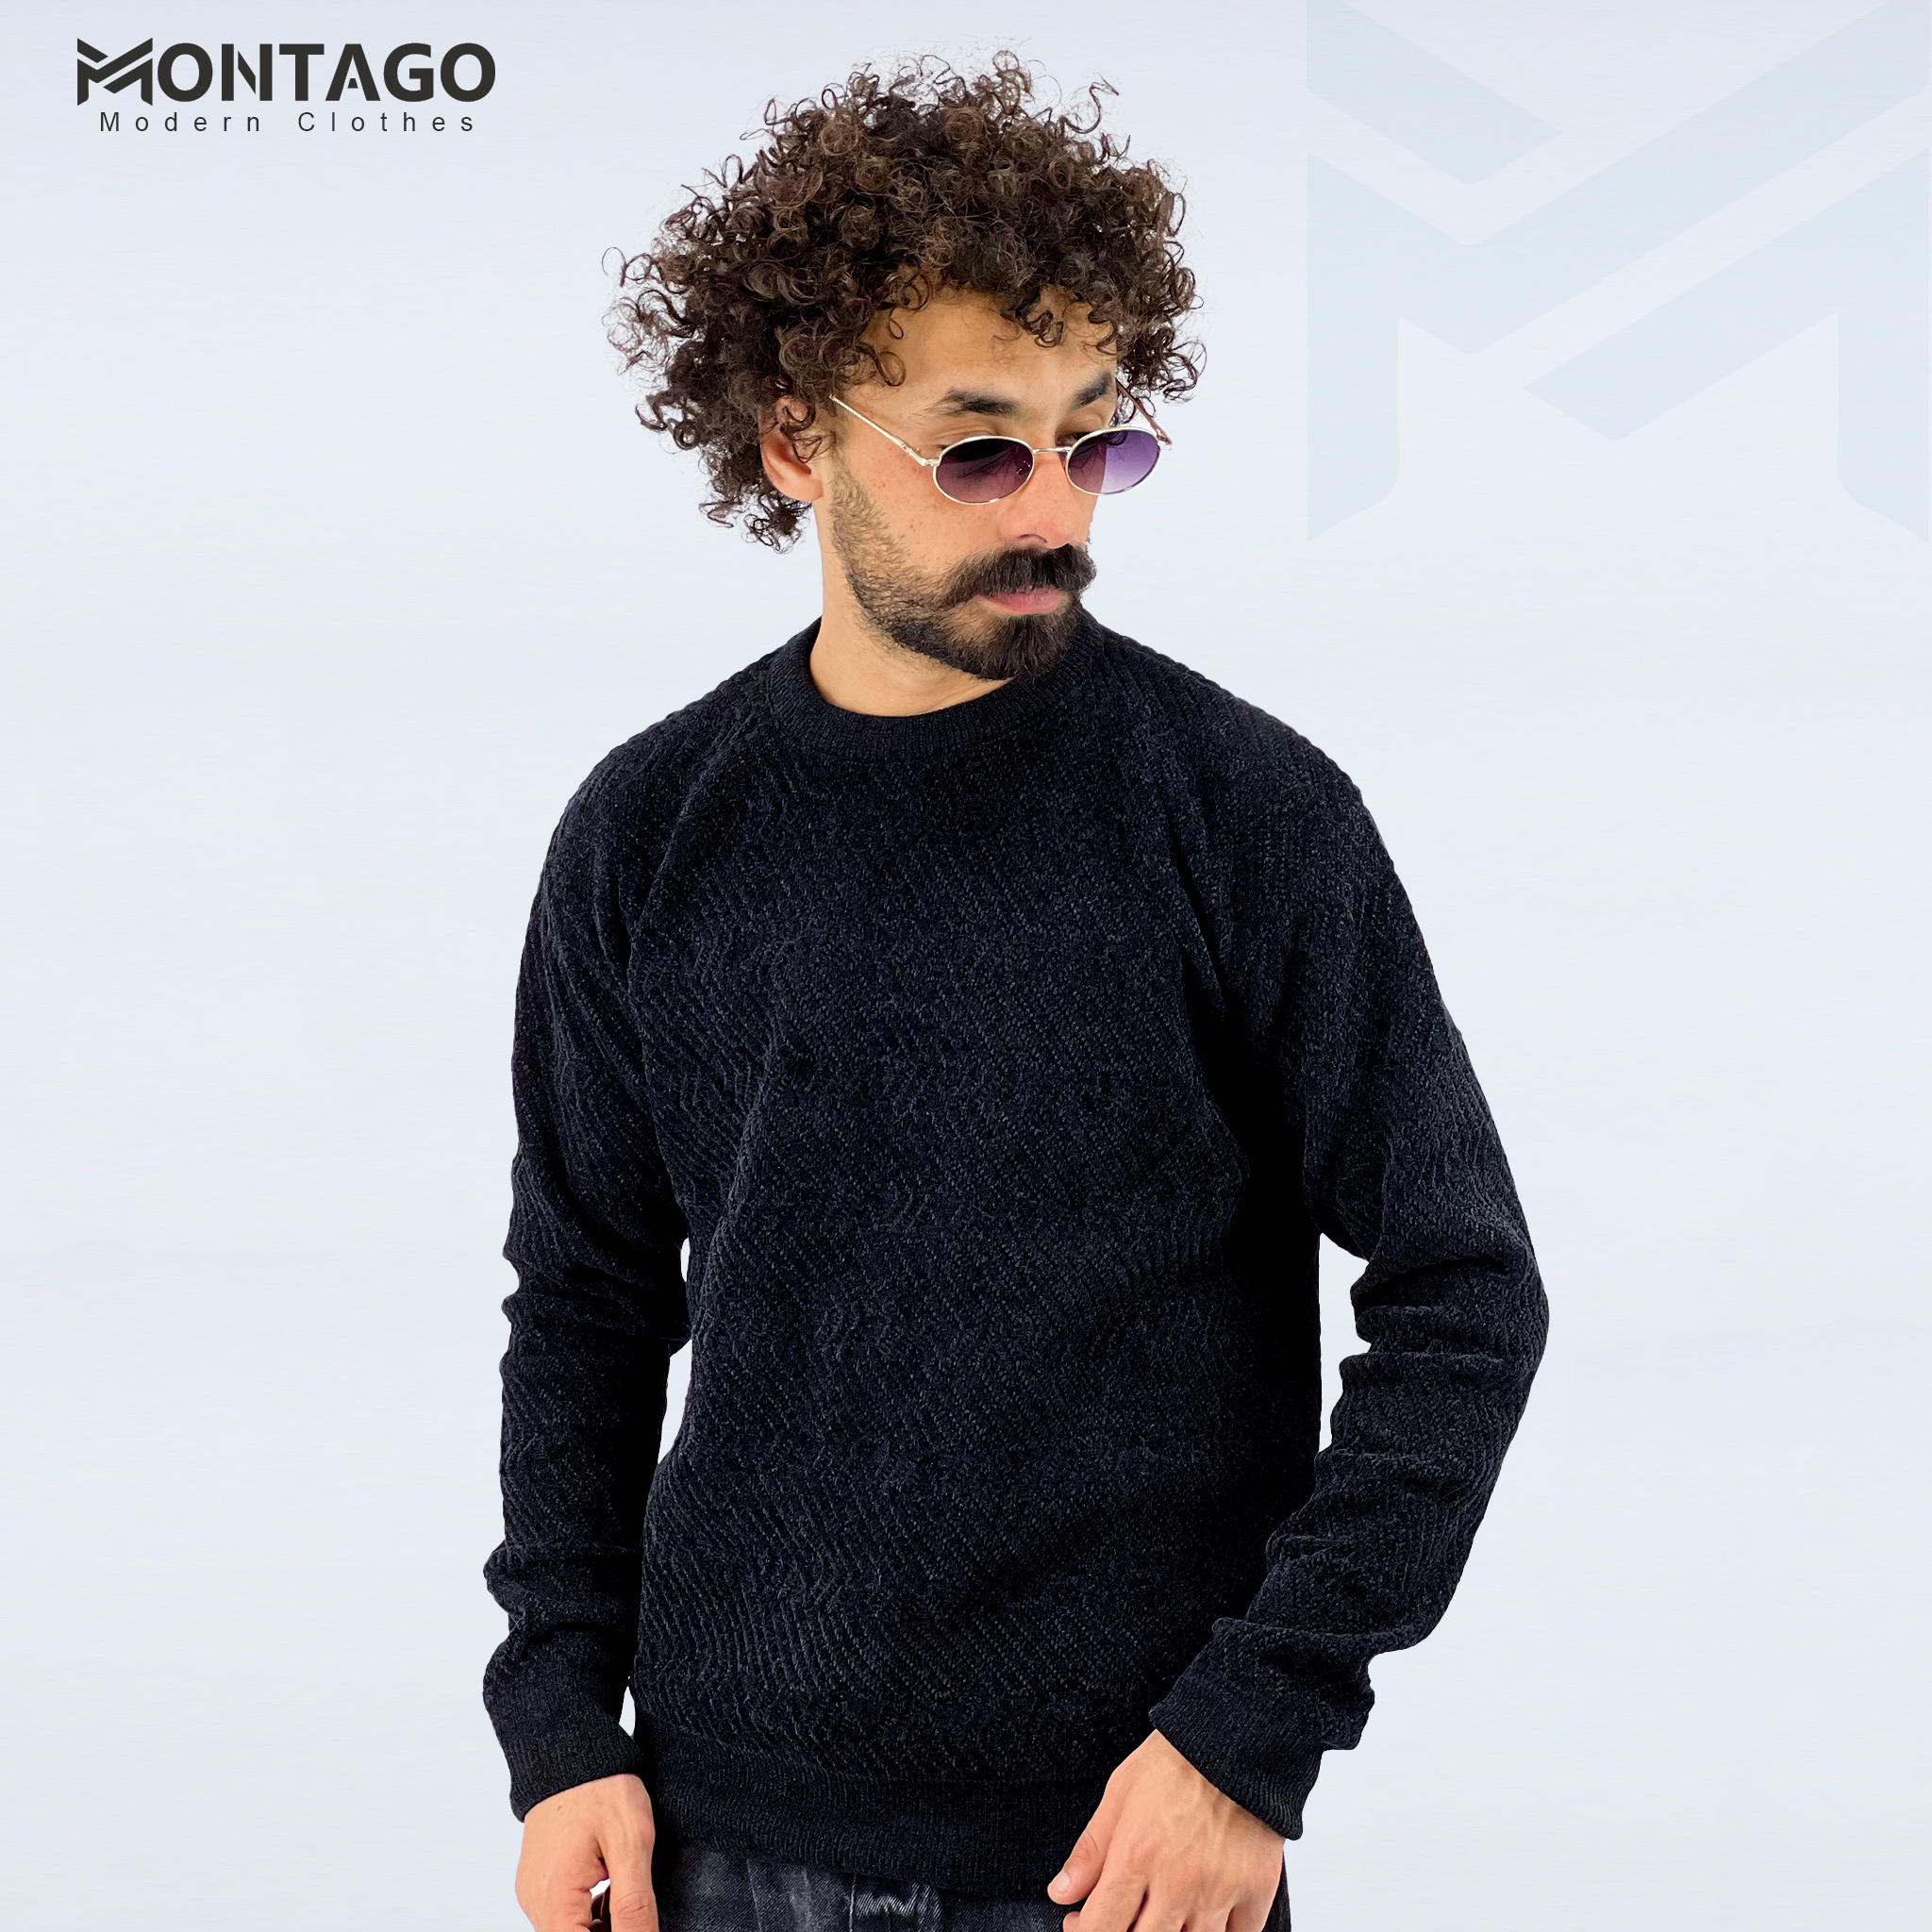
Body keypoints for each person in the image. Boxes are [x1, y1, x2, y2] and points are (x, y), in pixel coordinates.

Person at [482, 50, 1548, 1932]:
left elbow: (1465, 1294)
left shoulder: (1244, 814)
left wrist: (1250, 1735)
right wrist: (563, 1730)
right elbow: (586, 1300)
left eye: (1096, 440)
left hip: (1118, 1860)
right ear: (795, 441)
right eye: (978, 450)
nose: (1054, 509)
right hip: (713, 1841)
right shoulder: (648, 829)